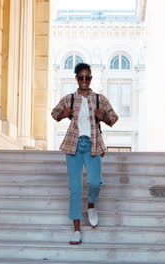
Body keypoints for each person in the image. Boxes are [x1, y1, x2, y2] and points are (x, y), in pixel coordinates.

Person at [51, 63, 119, 245]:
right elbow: (54, 114)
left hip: (92, 146)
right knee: (75, 189)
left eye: (87, 77)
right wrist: (63, 114)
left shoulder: (99, 99)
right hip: (73, 145)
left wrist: (102, 116)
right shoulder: (69, 99)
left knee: (95, 182)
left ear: (91, 79)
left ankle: (91, 205)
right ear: (76, 79)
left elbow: (113, 118)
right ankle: (76, 230)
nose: (84, 81)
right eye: (80, 77)